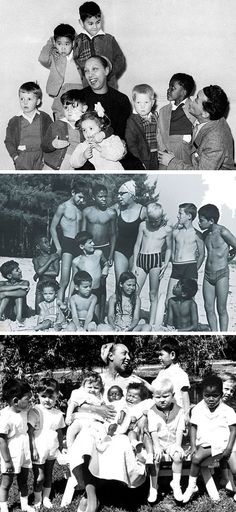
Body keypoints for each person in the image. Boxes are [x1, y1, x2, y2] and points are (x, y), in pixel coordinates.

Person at [182, 374, 236, 503]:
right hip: (209, 444)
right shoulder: (198, 410)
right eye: (207, 396)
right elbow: (193, 427)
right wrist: (194, 446)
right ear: (202, 394)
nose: (210, 399)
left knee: (235, 468)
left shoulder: (228, 410)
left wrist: (229, 448)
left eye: (215, 395)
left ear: (221, 394)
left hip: (226, 443)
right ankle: (192, 486)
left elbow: (233, 430)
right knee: (196, 459)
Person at [82, 56, 142, 169]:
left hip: (113, 147)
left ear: (106, 70)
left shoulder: (121, 99)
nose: (90, 75)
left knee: (136, 167)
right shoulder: (80, 97)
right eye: (86, 71)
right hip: (87, 150)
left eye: (95, 69)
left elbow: (120, 133)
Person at [158, 85, 234, 170]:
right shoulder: (213, 117)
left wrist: (171, 161)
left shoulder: (215, 142)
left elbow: (201, 174)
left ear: (205, 114)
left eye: (197, 100)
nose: (192, 101)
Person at [28, 378, 65, 509]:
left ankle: (46, 498)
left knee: (49, 475)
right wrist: (33, 449)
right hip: (38, 448)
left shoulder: (58, 414)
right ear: (38, 396)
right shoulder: (35, 411)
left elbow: (59, 431)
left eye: (51, 396)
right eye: (43, 396)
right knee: (39, 477)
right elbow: (30, 432)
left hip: (52, 448)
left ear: (57, 396)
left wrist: (61, 447)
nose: (47, 400)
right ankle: (37, 499)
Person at [132, 202, 172, 325]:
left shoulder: (166, 229)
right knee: (135, 292)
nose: (153, 223)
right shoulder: (143, 225)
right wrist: (134, 264)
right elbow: (137, 244)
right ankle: (134, 318)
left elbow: (169, 248)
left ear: (161, 217)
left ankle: (152, 322)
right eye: (152, 220)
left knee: (153, 293)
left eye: (156, 221)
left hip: (155, 261)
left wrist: (165, 265)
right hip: (141, 259)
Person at [198, 203, 236, 331]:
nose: (199, 223)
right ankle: (214, 334)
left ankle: (224, 335)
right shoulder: (205, 235)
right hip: (208, 275)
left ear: (211, 220)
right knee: (208, 307)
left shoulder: (223, 232)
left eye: (201, 220)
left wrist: (231, 255)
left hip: (222, 274)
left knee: (221, 308)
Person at [82, 183, 117, 321]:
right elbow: (83, 233)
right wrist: (83, 249)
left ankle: (101, 315)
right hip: (89, 249)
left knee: (102, 281)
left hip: (105, 248)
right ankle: (86, 312)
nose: (104, 199)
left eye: (105, 196)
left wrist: (111, 254)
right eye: (100, 196)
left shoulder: (111, 213)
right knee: (88, 279)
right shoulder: (87, 211)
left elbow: (114, 234)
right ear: (93, 197)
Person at [147, 378, 185, 503]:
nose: (162, 400)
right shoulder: (152, 412)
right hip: (158, 442)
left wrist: (178, 445)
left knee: (178, 456)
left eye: (165, 396)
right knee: (155, 459)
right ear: (153, 397)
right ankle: (153, 486)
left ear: (173, 395)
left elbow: (180, 429)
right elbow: (153, 431)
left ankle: (176, 483)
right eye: (158, 397)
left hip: (172, 442)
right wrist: (157, 447)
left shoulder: (179, 411)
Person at [74, 1, 126, 89]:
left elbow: (120, 59)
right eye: (90, 23)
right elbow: (75, 60)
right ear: (81, 23)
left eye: (98, 22)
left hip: (109, 85)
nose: (95, 26)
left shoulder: (109, 39)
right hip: (88, 86)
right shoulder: (77, 41)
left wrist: (109, 72)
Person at [50, 180, 87, 301]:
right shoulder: (63, 207)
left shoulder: (81, 209)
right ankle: (59, 305)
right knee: (64, 279)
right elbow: (52, 227)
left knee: (75, 279)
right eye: (79, 197)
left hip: (78, 244)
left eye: (83, 198)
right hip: (66, 242)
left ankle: (70, 305)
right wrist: (58, 247)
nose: (81, 200)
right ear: (73, 192)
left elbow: (82, 231)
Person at [0, 378, 33, 512]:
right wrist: (7, 461)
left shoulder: (24, 410)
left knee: (23, 480)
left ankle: (24, 505)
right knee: (6, 483)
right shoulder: (4, 416)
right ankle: (3, 507)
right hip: (11, 454)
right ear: (15, 401)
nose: (30, 401)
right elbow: (1, 440)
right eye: (27, 399)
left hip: (24, 451)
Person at [38, 24, 83, 120]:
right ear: (55, 43)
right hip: (60, 90)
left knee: (78, 116)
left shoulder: (78, 55)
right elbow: (42, 59)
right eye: (59, 44)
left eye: (66, 44)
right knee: (60, 114)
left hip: (79, 90)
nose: (63, 48)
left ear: (73, 43)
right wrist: (50, 43)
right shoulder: (55, 56)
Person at [4, 82, 52, 170]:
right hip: (23, 157)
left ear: (37, 101)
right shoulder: (14, 121)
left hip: (40, 157)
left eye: (29, 99)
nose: (25, 102)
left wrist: (47, 156)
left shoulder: (45, 117)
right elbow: (9, 141)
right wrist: (15, 157)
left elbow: (51, 136)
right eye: (22, 99)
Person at [165, 203, 205, 307]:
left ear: (189, 216)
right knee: (169, 298)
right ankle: (169, 320)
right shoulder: (176, 232)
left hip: (190, 266)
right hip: (176, 267)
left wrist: (194, 270)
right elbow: (173, 251)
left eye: (180, 213)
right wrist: (174, 262)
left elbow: (201, 255)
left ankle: (188, 322)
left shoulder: (197, 234)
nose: (178, 216)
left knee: (189, 299)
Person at [157, 73, 195, 170]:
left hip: (184, 157)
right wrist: (164, 150)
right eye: (169, 87)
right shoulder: (163, 111)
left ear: (183, 92)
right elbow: (159, 133)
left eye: (172, 88)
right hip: (165, 157)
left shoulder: (194, 109)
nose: (168, 90)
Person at [42, 89, 88, 170]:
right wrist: (53, 144)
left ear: (84, 109)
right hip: (51, 167)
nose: (69, 111)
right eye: (66, 107)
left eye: (73, 106)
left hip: (71, 168)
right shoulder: (56, 125)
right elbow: (44, 146)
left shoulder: (86, 128)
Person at [69, 231, 109, 321]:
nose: (93, 244)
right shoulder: (77, 261)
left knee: (98, 318)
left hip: (98, 289)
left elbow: (105, 263)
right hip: (85, 292)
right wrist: (69, 296)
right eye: (90, 242)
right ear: (82, 246)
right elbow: (73, 280)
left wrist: (105, 269)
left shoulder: (98, 253)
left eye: (92, 241)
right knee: (85, 317)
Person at [113, 180, 146, 284]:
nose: (119, 197)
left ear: (131, 194)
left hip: (135, 252)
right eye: (118, 194)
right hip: (120, 250)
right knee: (120, 283)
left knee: (132, 284)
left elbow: (156, 223)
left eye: (122, 194)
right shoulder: (117, 208)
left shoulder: (143, 210)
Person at [65, 371, 105, 449]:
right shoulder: (80, 393)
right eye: (89, 387)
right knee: (71, 430)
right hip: (80, 419)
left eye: (96, 388)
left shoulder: (99, 396)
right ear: (84, 386)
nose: (92, 390)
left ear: (100, 388)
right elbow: (72, 404)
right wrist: (68, 416)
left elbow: (103, 406)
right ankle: (70, 447)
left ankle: (102, 446)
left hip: (94, 420)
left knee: (102, 430)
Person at [152, 338, 190, 414]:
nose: (159, 358)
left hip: (176, 414)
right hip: (160, 412)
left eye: (161, 354)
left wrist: (186, 414)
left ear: (172, 355)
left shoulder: (181, 374)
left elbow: (185, 395)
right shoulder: (161, 373)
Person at [125, 84, 158, 169]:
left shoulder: (155, 117)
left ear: (152, 103)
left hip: (157, 155)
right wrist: (138, 161)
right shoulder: (131, 121)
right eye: (138, 102)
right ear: (133, 103)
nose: (142, 106)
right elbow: (131, 145)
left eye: (146, 102)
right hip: (142, 157)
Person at [32, 235, 60, 314]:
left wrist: (38, 273)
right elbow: (39, 271)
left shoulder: (55, 256)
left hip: (52, 284)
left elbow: (56, 273)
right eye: (45, 242)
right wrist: (50, 260)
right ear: (38, 246)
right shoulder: (36, 259)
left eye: (48, 242)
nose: (49, 245)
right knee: (38, 312)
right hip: (41, 285)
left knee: (52, 310)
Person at [0, 261, 30, 326]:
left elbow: (22, 293)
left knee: (18, 296)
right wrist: (18, 286)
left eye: (19, 268)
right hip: (8, 312)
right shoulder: (3, 283)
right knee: (7, 296)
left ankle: (19, 318)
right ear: (9, 276)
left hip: (21, 312)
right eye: (17, 270)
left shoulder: (24, 282)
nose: (20, 271)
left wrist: (5, 293)